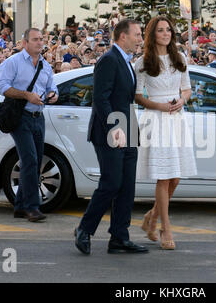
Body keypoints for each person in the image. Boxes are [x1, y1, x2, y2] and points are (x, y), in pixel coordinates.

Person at [74, 19, 148, 255]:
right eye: (137, 34)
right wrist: (115, 128)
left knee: (126, 186)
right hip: (110, 131)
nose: (140, 39)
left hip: (128, 128)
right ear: (122, 36)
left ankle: (119, 237)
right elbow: (101, 99)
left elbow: (125, 97)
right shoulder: (108, 60)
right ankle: (84, 229)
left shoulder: (127, 62)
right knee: (111, 183)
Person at [135, 16, 197, 250]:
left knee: (176, 176)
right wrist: (160, 106)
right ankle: (165, 228)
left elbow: (187, 89)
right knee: (164, 175)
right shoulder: (142, 62)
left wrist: (182, 100)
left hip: (177, 118)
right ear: (153, 35)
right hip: (156, 119)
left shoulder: (179, 58)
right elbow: (137, 95)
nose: (166, 33)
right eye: (161, 30)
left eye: (168, 30)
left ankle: (151, 217)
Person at [0, 28, 58, 221]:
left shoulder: (45, 66)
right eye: (35, 40)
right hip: (20, 116)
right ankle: (32, 207)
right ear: (25, 43)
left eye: (41, 39)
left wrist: (53, 94)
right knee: (30, 160)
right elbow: (2, 86)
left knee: (33, 161)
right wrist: (26, 95)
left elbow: (52, 87)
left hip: (38, 118)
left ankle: (20, 206)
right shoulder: (12, 62)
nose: (40, 43)